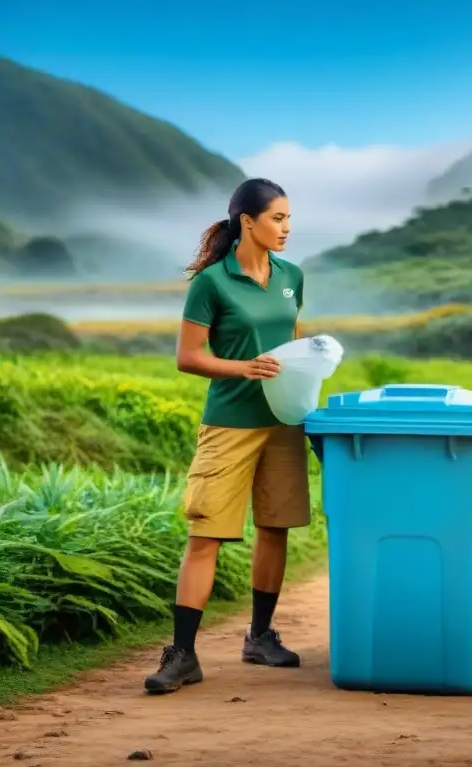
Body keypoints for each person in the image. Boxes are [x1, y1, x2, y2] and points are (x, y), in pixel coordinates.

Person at [144, 177, 311, 694]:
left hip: (283, 423)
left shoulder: (291, 276)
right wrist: (243, 369)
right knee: (206, 536)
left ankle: (260, 637)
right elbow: (188, 357)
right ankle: (182, 655)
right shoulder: (211, 283)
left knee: (275, 528)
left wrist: (304, 376)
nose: (287, 227)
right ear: (248, 222)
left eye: (288, 218)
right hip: (229, 425)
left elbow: (293, 340)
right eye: (277, 218)